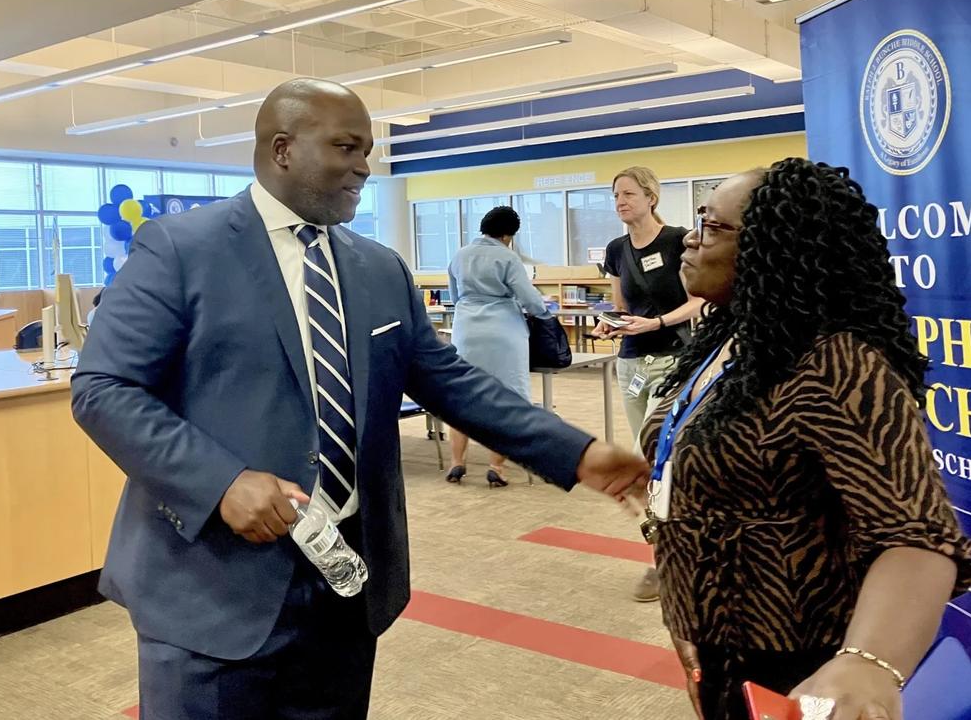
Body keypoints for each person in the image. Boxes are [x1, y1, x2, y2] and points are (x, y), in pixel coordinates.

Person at [71, 78, 648, 720]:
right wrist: (222, 482)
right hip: (212, 587)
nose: (364, 167)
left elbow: (448, 382)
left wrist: (576, 453)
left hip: (344, 585)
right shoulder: (180, 248)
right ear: (282, 149)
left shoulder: (379, 268)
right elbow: (104, 389)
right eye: (346, 147)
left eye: (368, 149)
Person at [639, 157, 971, 720]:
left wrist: (869, 662)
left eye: (714, 228)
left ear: (778, 247)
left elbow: (918, 535)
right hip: (718, 638)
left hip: (801, 661)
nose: (690, 242)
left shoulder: (836, 366)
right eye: (698, 219)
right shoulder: (732, 335)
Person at [592, 165, 703, 602]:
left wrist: (656, 321)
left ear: (651, 197)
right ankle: (663, 550)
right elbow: (621, 307)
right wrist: (612, 326)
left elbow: (698, 300)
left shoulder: (678, 241)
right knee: (645, 459)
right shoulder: (617, 249)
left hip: (675, 360)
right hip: (633, 362)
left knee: (665, 457)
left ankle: (670, 559)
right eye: (616, 195)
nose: (621, 202)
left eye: (628, 194)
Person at [445, 205, 551, 488]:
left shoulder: (459, 255)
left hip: (466, 331)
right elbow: (530, 300)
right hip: (504, 333)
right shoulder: (508, 257)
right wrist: (544, 311)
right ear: (509, 235)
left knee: (461, 398)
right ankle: (496, 466)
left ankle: (457, 462)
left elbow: (455, 297)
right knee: (506, 400)